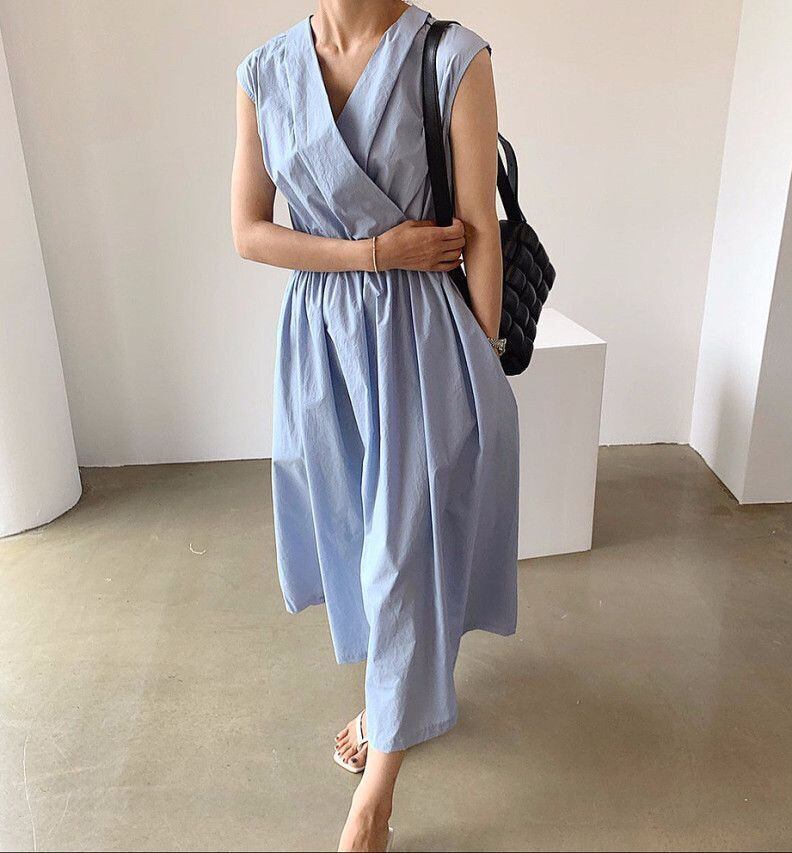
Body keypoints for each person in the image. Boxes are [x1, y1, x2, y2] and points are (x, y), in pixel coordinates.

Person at [231, 2, 518, 849]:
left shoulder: (452, 57)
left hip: (423, 343)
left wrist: (481, 364)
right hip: (320, 347)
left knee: (402, 549)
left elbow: (481, 229)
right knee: (360, 539)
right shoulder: (264, 72)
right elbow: (249, 232)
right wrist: (373, 253)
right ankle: (394, 699)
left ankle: (376, 795)